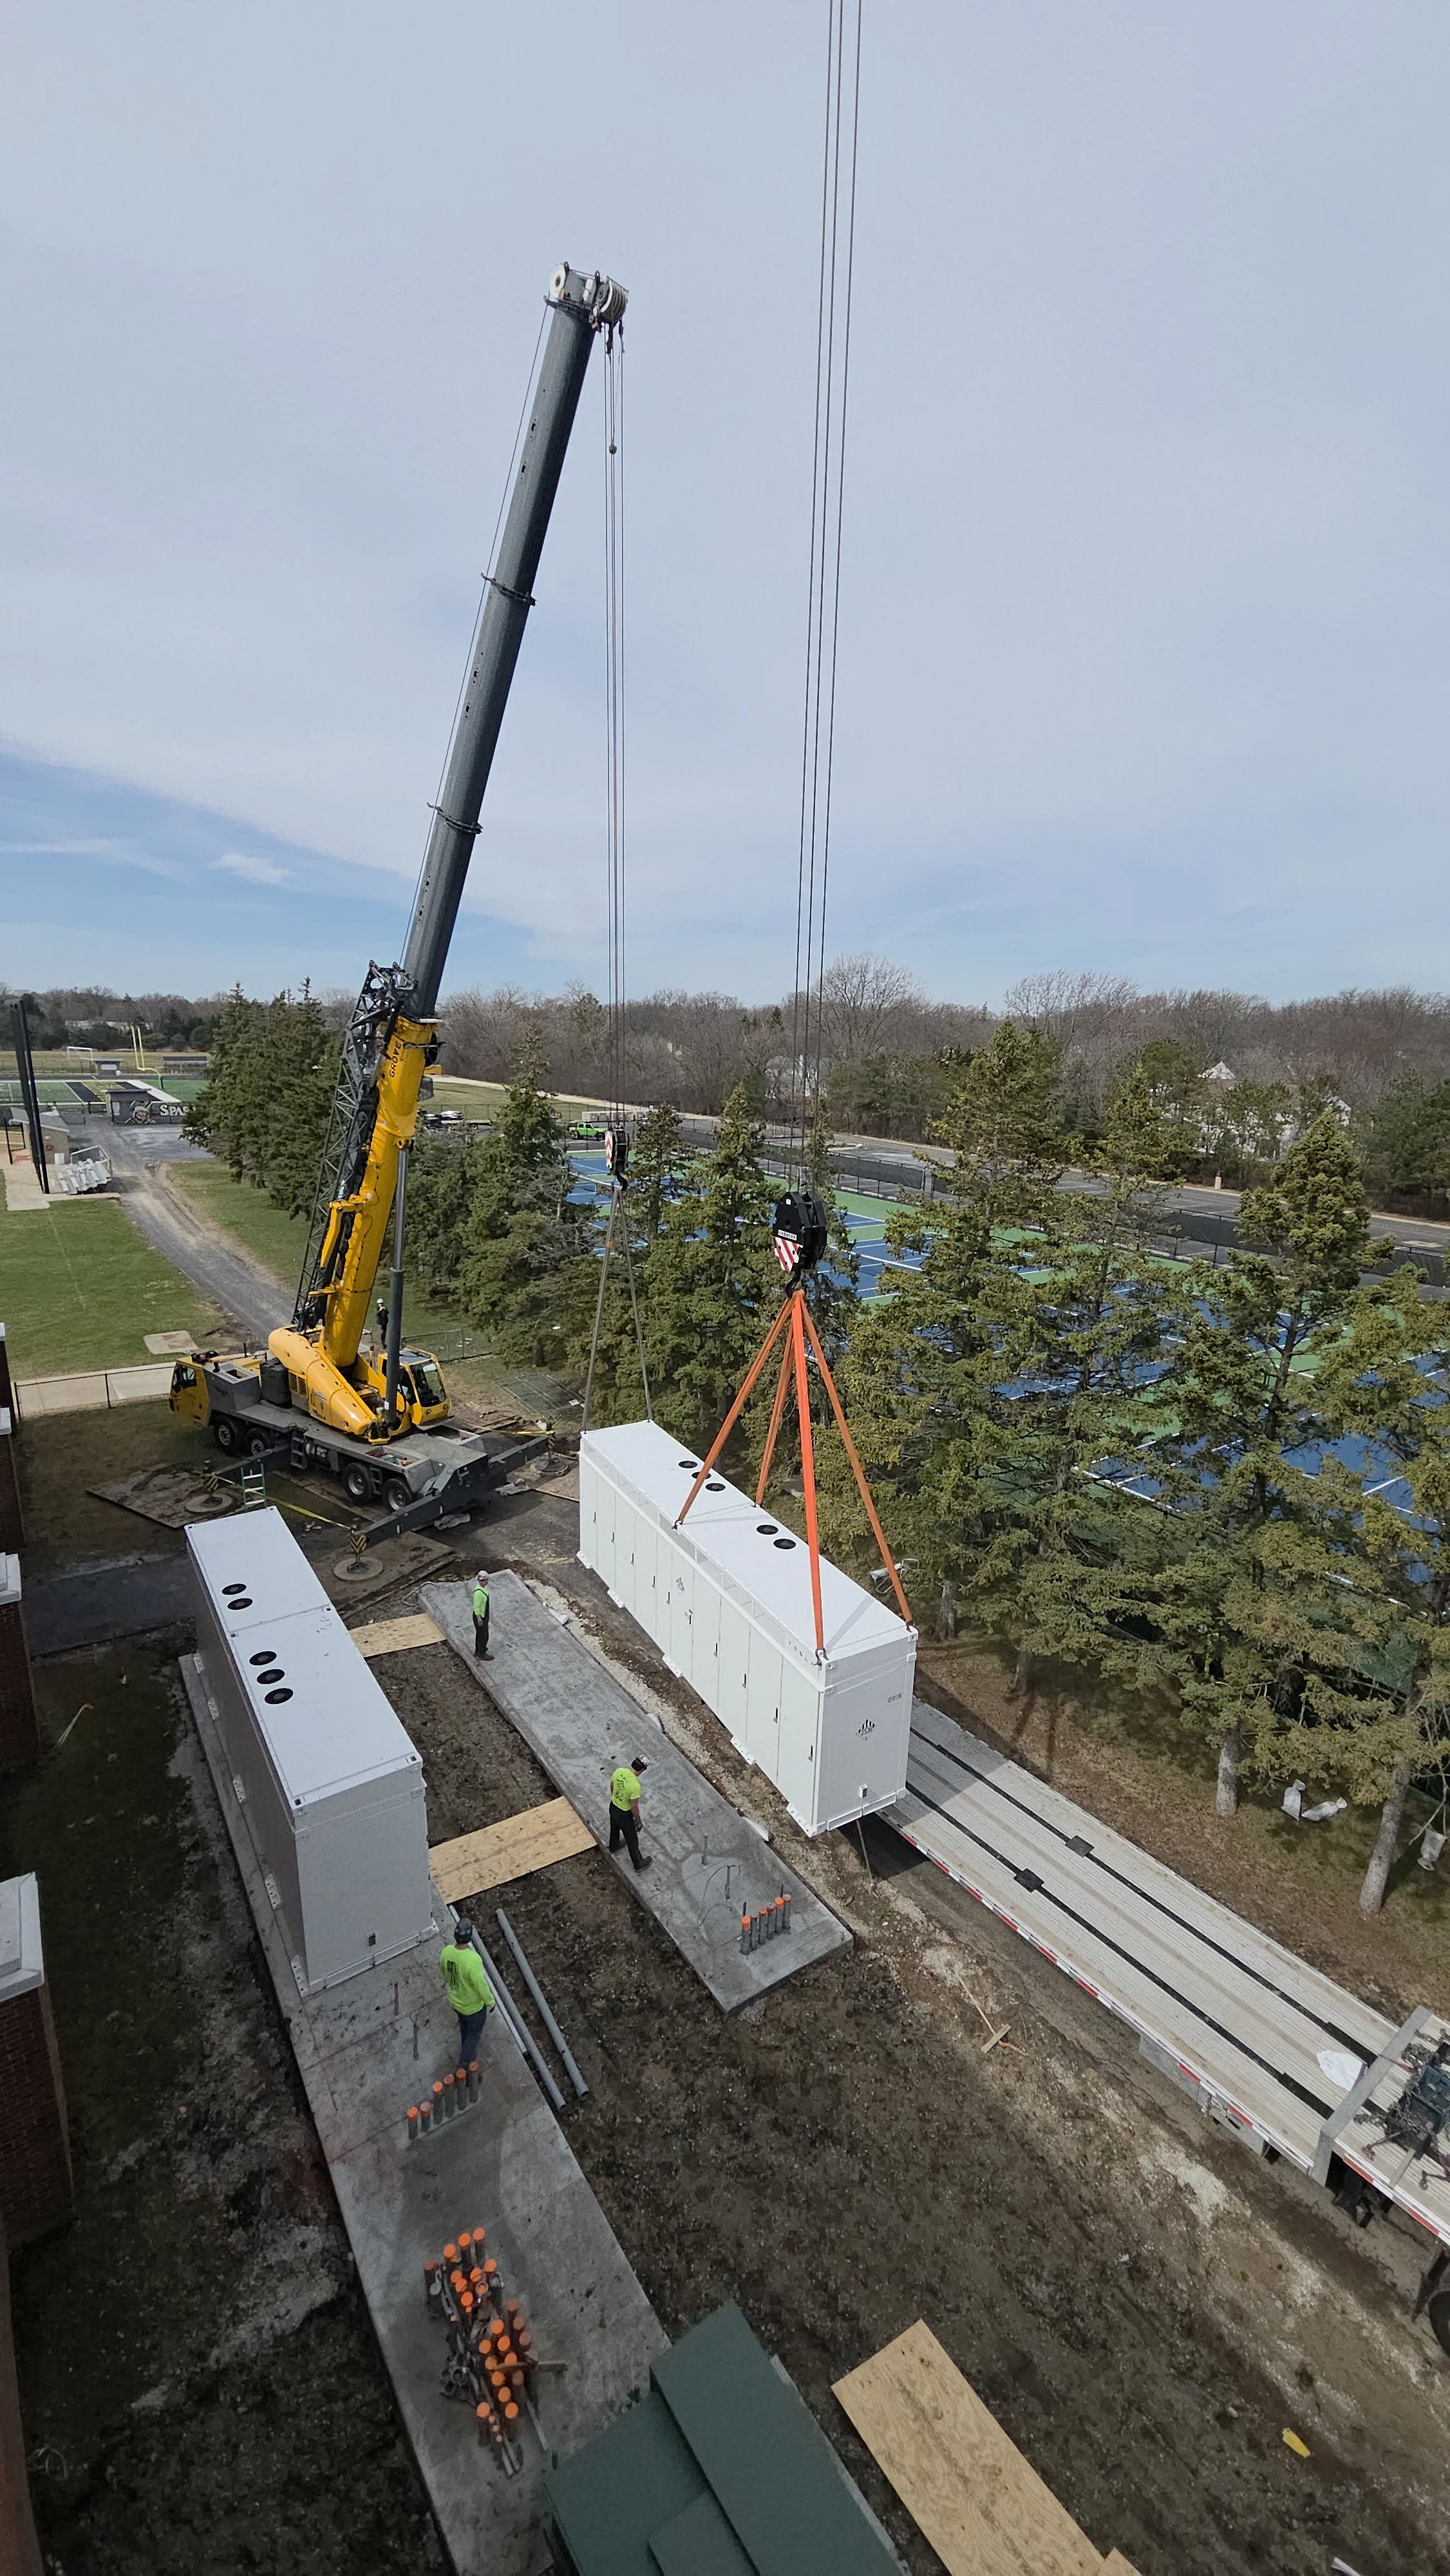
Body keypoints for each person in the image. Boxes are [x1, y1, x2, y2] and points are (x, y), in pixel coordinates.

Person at [438, 1917, 494, 2070]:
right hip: (473, 2007)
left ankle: (470, 2057)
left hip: (456, 2002)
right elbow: (480, 1985)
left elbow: (445, 1973)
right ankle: (463, 2066)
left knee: (465, 2029)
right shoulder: (473, 1960)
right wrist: (490, 2002)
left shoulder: (446, 1952)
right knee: (473, 2036)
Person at [608, 1757, 652, 1872]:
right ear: (642, 1770)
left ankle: (614, 1846)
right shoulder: (635, 1786)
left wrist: (615, 1798)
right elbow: (634, 1807)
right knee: (632, 1839)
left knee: (614, 1827)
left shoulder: (619, 1771)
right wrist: (638, 1820)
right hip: (624, 1814)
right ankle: (638, 1864)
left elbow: (612, 1785)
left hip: (613, 1806)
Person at [472, 1571, 491, 1660]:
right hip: (480, 1617)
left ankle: (478, 1650)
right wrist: (479, 1619)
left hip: (484, 1615)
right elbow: (476, 1608)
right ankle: (481, 1654)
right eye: (483, 1580)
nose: (485, 1581)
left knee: (480, 1635)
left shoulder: (483, 1589)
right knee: (483, 1636)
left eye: (486, 1580)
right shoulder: (478, 1593)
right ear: (479, 1581)